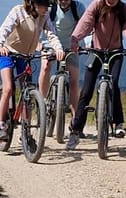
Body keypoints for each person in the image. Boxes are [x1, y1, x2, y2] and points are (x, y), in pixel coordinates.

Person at [68, 0, 126, 144]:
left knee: (113, 83)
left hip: (116, 52)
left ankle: (118, 123)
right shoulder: (96, 5)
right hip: (96, 51)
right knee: (87, 90)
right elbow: (86, 22)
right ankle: (76, 130)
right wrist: (75, 39)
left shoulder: (123, 8)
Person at [0, 0, 65, 143]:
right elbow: (5, 29)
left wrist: (58, 48)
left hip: (25, 56)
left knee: (28, 91)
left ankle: (26, 132)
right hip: (7, 52)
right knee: (8, 88)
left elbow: (51, 34)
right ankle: (1, 126)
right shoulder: (18, 11)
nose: (46, 9)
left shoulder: (44, 17)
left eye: (48, 6)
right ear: (33, 3)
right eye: (43, 5)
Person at [38, 0, 89, 150]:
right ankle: (43, 102)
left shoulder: (78, 8)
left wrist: (83, 44)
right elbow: (42, 24)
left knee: (73, 80)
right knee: (45, 67)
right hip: (50, 45)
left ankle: (75, 120)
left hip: (70, 47)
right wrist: (40, 43)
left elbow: (85, 26)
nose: (63, 1)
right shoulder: (51, 7)